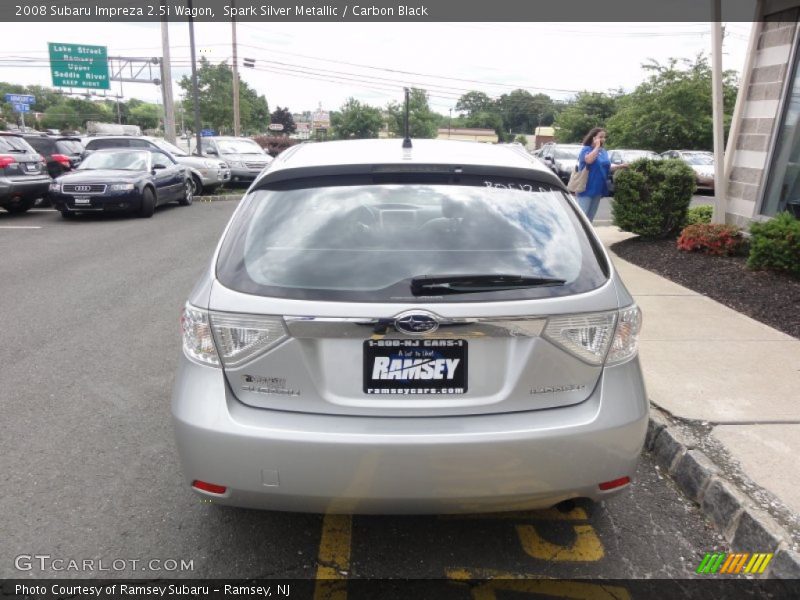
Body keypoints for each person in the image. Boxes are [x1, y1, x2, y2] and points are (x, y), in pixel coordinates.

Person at [575, 128, 625, 222]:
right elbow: (588, 160)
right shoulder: (586, 149)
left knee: (590, 217)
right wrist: (596, 147)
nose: (603, 139)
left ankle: (587, 236)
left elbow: (606, 167)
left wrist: (621, 166)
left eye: (604, 137)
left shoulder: (604, 151)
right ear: (593, 137)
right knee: (582, 217)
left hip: (598, 188)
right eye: (600, 137)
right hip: (586, 187)